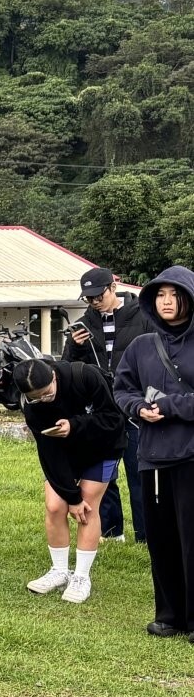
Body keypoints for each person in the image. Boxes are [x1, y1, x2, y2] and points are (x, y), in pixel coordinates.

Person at [112, 267, 194, 640]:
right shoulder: (142, 346)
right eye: (160, 295)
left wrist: (173, 406)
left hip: (191, 455)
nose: (166, 302)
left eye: (174, 295)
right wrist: (136, 409)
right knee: (161, 540)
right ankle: (170, 615)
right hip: (154, 456)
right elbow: (122, 387)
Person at [16, 358, 127, 604]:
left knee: (87, 505)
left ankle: (81, 577)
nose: (43, 400)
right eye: (35, 398)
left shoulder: (85, 376)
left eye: (46, 394)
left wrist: (75, 425)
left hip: (103, 447)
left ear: (54, 377)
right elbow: (48, 454)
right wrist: (70, 496)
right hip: (63, 453)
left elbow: (113, 419)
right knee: (55, 506)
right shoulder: (32, 405)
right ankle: (59, 571)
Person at [64, 266, 152, 543]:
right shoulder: (85, 322)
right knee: (105, 474)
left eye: (98, 295)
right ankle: (112, 531)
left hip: (136, 403)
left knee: (140, 471)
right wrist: (75, 346)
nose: (93, 302)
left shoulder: (143, 316)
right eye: (88, 298)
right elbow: (68, 366)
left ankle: (145, 535)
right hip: (101, 408)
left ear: (113, 288)